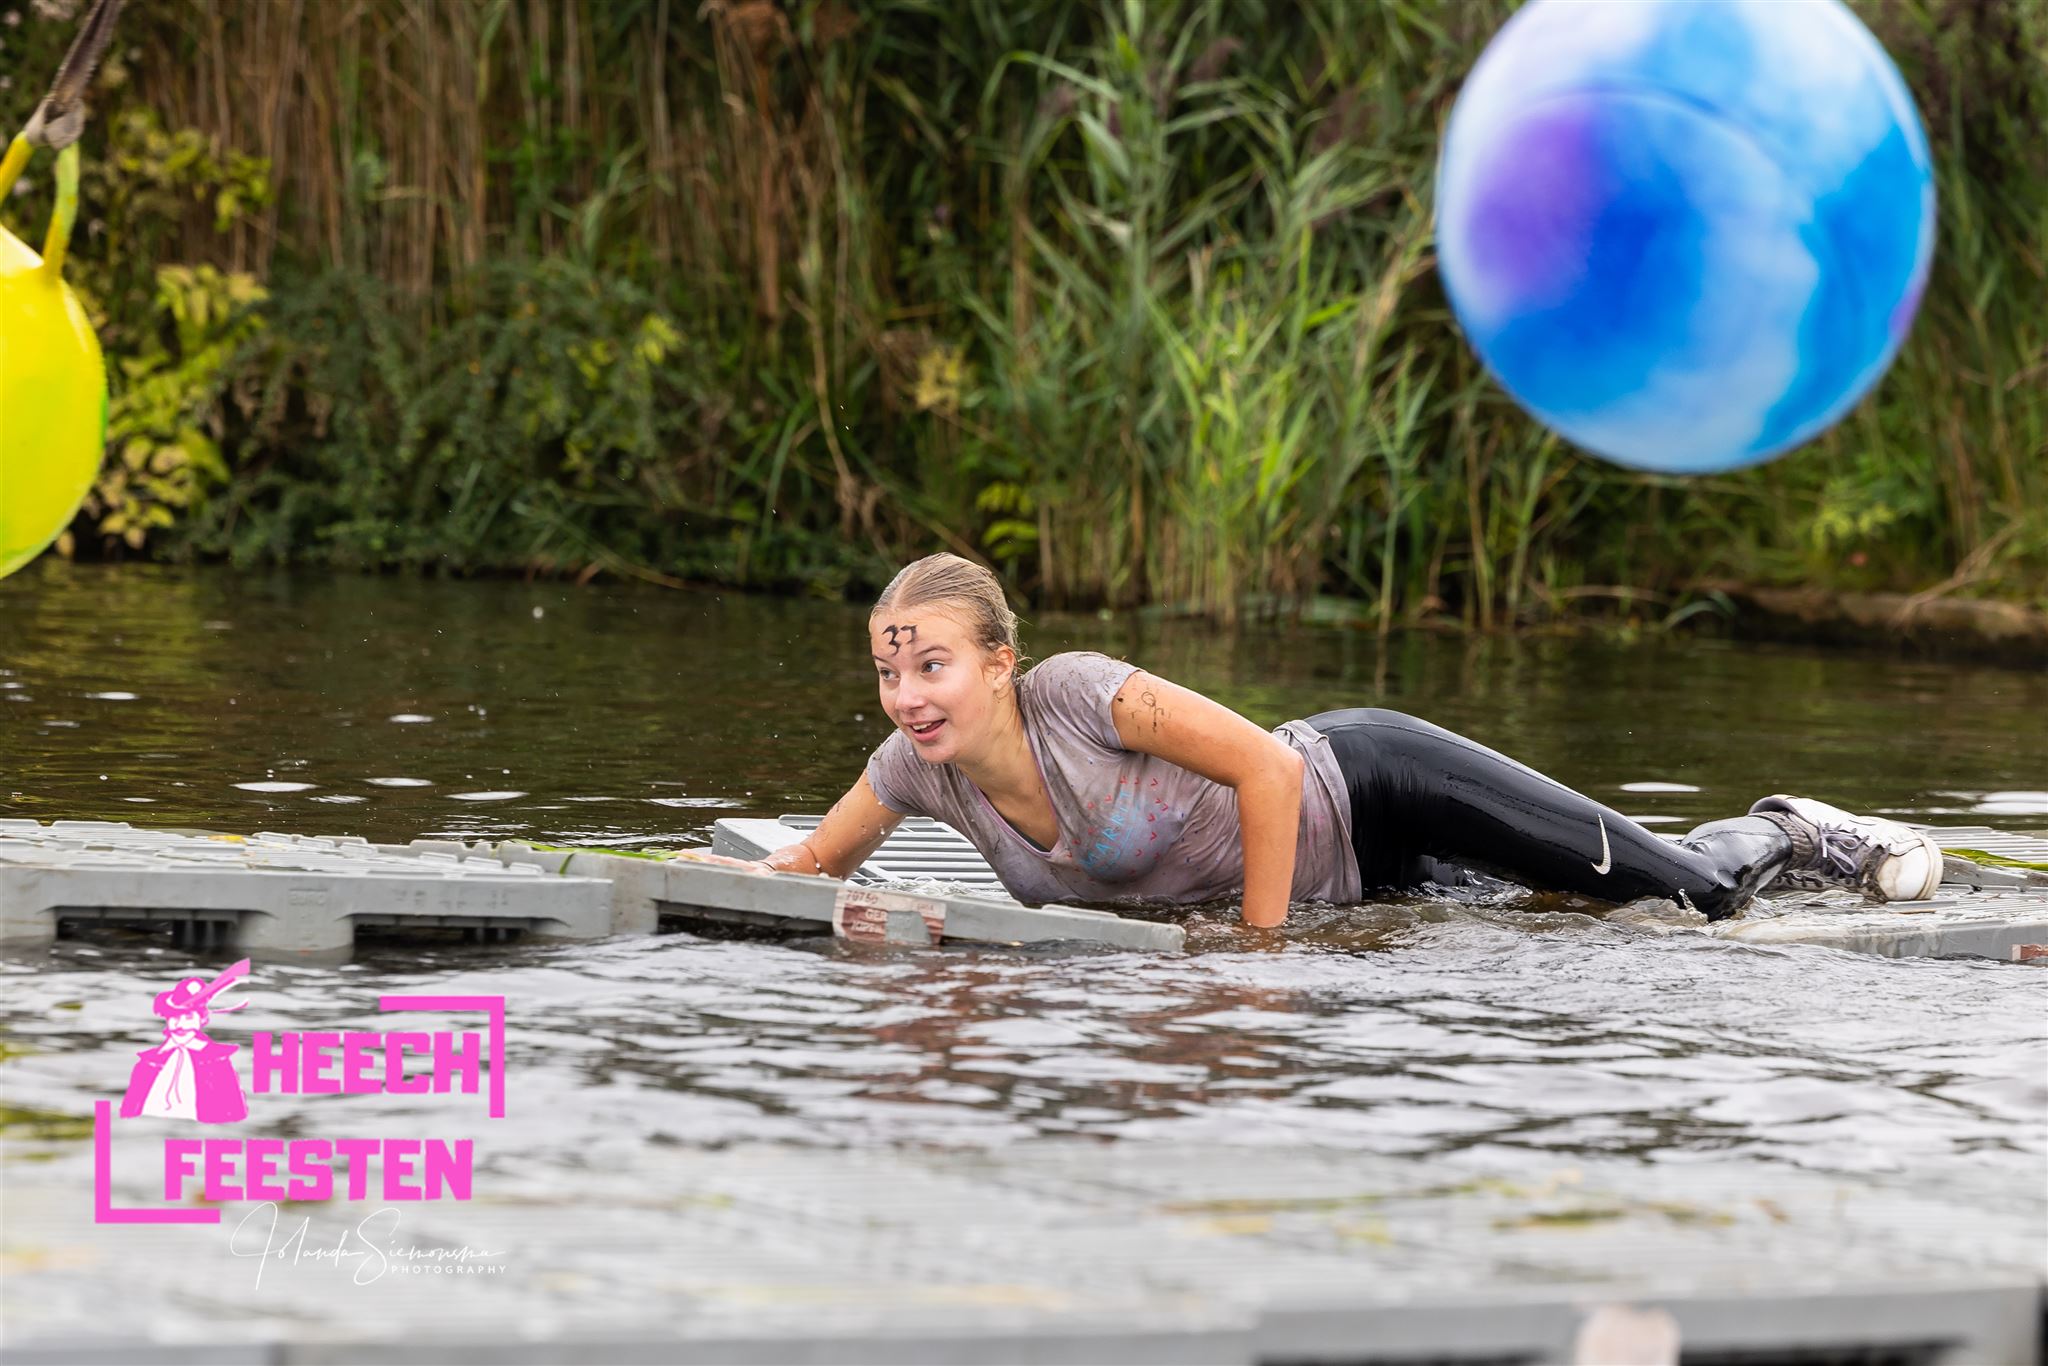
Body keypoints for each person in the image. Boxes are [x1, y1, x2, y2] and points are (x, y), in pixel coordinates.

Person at [715, 554, 1943, 928]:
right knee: (1569, 919)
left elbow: (1270, 766)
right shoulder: (913, 770)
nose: (906, 694)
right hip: (1362, 886)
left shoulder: (1080, 693)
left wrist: (1260, 957)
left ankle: (1786, 828)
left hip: (1374, 785)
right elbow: (812, 863)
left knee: (1688, 901)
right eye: (888, 670)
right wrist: (715, 882)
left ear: (998, 661)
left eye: (930, 664)